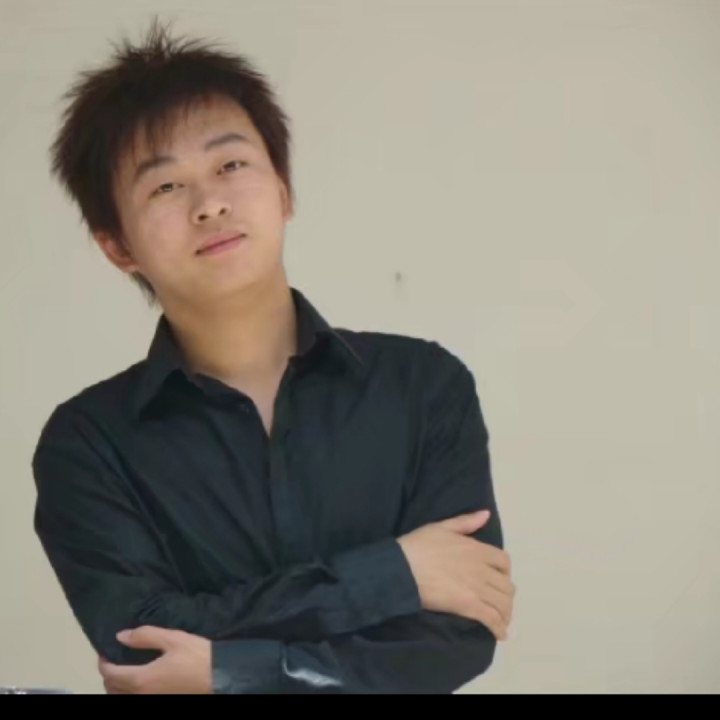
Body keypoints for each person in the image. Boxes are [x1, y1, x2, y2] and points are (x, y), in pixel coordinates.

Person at [32, 20, 515, 695]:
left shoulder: (424, 387)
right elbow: (141, 648)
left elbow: (458, 637)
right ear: (118, 245)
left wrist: (228, 670)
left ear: (284, 190)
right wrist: (394, 574)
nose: (210, 204)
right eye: (165, 187)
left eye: (231, 165)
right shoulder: (88, 444)